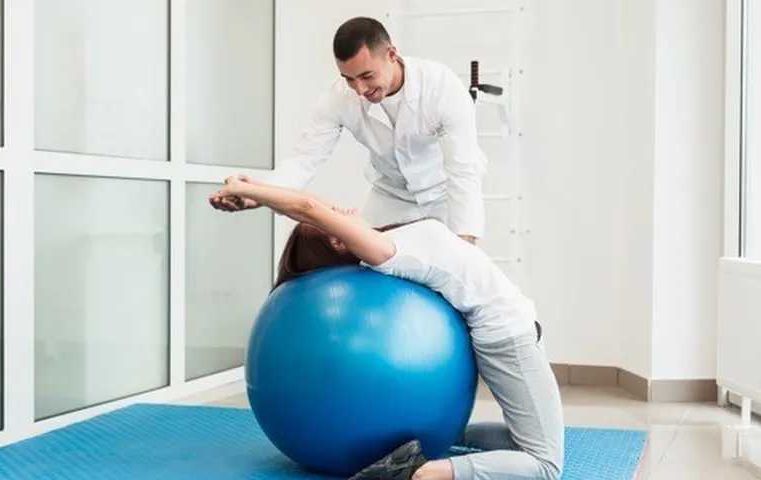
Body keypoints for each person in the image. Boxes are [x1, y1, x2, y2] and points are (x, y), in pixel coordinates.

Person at [209, 176, 564, 480]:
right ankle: (431, 472)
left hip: (507, 332)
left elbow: (309, 210)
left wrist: (256, 196)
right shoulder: (383, 251)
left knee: (533, 441)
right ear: (337, 239)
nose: (337, 208)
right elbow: (308, 208)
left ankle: (416, 448)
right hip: (509, 337)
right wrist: (246, 187)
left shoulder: (384, 237)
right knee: (546, 464)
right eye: (332, 219)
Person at [210, 16, 487, 244]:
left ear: (392, 54)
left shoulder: (441, 87)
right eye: (349, 78)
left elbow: (463, 171)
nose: (360, 89)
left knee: (458, 282)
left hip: (444, 198)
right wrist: (255, 194)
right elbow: (303, 161)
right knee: (359, 262)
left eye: (367, 76)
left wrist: (466, 242)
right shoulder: (340, 98)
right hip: (389, 196)